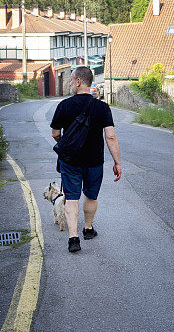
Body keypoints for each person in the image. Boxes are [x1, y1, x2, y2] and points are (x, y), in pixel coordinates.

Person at [50, 66, 121, 253]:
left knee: (72, 198)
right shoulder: (102, 107)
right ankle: (88, 229)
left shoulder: (64, 105)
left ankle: (73, 239)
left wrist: (66, 142)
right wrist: (117, 162)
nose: (71, 84)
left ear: (79, 81)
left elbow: (55, 133)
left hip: (71, 160)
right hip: (94, 161)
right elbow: (111, 136)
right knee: (91, 195)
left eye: (72, 80)